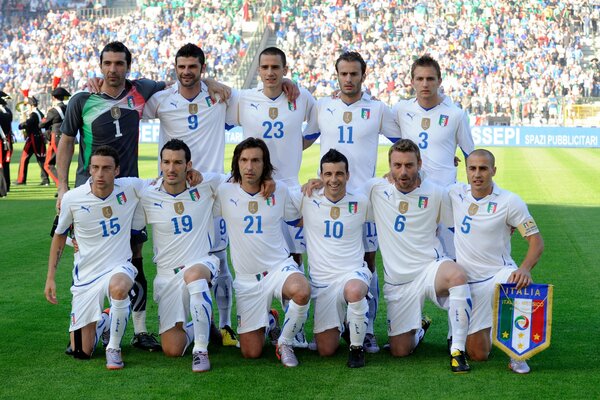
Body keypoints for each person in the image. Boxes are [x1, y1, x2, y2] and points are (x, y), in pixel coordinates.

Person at [58, 41, 166, 351]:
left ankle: (141, 330)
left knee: (136, 258)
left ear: (128, 66)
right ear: (100, 64)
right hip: (88, 194)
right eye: (107, 63)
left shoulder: (141, 90)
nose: (113, 69)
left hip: (129, 196)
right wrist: (63, 187)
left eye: (119, 63)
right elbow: (66, 141)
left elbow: (180, 80)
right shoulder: (82, 99)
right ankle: (92, 321)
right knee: (86, 259)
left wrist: (211, 81)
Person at [305, 51, 402, 353]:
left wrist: (413, 165)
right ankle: (323, 322)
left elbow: (404, 143)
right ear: (337, 75)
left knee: (369, 261)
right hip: (329, 196)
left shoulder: (377, 109)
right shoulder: (323, 106)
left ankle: (367, 328)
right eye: (343, 74)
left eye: (354, 74)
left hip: (365, 202)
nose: (348, 79)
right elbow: (303, 141)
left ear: (364, 75)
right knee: (322, 256)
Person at [143, 43, 237, 347]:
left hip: (211, 191)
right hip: (176, 192)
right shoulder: (160, 100)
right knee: (182, 255)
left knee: (220, 258)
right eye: (181, 67)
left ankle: (224, 326)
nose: (186, 72)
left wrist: (213, 84)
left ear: (202, 69)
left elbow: (258, 99)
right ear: (174, 68)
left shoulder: (219, 97)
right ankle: (194, 321)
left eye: (192, 67)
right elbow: (128, 103)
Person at [225, 46, 318, 348]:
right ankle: (264, 316)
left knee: (294, 255)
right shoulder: (244, 99)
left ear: (284, 68)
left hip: (287, 185)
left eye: (275, 67)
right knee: (260, 247)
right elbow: (218, 105)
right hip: (255, 184)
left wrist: (292, 149)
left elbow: (315, 129)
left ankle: (296, 325)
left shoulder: (300, 96)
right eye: (264, 67)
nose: (269, 72)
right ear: (259, 70)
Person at [365, 139, 472, 373]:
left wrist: (507, 222)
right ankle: (419, 328)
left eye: (409, 165)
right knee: (399, 351)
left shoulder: (435, 193)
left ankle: (458, 349)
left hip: (430, 269)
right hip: (398, 282)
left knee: (456, 276)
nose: (403, 172)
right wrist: (317, 183)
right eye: (397, 165)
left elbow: (464, 219)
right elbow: (341, 193)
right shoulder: (375, 189)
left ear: (419, 164)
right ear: (390, 165)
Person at [214, 137, 310, 367]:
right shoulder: (223, 191)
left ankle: (285, 342)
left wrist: (313, 187)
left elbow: (298, 219)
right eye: (244, 160)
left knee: (301, 290)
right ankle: (271, 320)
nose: (249, 167)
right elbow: (195, 183)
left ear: (264, 163)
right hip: (247, 281)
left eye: (256, 160)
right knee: (251, 352)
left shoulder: (281, 191)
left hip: (278, 268)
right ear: (236, 162)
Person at [44, 146, 144, 370]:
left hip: (119, 267)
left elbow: (164, 182)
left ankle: (114, 349)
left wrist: (192, 174)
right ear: (89, 169)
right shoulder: (73, 198)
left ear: (117, 170)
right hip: (86, 277)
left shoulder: (131, 188)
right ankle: (106, 321)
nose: (100, 174)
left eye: (107, 168)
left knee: (119, 287)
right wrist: (50, 278)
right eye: (96, 168)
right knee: (81, 352)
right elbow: (60, 236)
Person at [447, 149, 544, 374]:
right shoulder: (455, 193)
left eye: (483, 168)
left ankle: (517, 354)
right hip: (468, 284)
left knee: (517, 281)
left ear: (494, 170)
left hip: (498, 274)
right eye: (472, 168)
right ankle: (494, 328)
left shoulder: (510, 201)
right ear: (466, 171)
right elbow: (424, 185)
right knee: (479, 355)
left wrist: (525, 268)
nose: (477, 174)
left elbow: (536, 242)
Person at [139, 139, 224, 372]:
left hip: (200, 263)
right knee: (172, 350)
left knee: (195, 275)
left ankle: (201, 350)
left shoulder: (207, 187)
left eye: (178, 162)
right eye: (166, 162)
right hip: (167, 276)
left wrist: (201, 175)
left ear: (189, 165)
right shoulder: (148, 196)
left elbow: (239, 180)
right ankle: (202, 324)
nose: (171, 168)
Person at [292, 149, 371, 368]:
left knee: (354, 291)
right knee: (326, 350)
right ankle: (347, 325)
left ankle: (357, 349)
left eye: (339, 174)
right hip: (323, 282)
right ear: (320, 175)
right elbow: (276, 193)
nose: (333, 179)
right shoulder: (306, 198)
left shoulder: (362, 201)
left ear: (348, 175)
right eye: (328, 174)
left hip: (353, 273)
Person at [392, 55, 474, 259]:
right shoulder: (401, 109)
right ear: (412, 82)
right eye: (419, 79)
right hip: (412, 196)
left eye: (430, 79)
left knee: (451, 259)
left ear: (439, 81)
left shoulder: (455, 114)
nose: (425, 84)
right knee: (414, 258)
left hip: (444, 196)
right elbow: (396, 142)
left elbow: (471, 157)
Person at [14, 96, 49, 186]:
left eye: (28, 105)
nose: (27, 107)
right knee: (41, 159)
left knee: (24, 158)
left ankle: (21, 179)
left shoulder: (33, 114)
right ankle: (45, 179)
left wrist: (21, 124)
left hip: (33, 138)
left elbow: (27, 123)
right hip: (39, 138)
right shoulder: (39, 113)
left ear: (31, 105)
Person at [40, 87, 70, 187]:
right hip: (65, 136)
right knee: (51, 163)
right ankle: (61, 185)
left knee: (54, 163)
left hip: (56, 137)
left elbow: (42, 124)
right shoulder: (67, 108)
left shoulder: (53, 110)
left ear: (53, 97)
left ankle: (63, 186)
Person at [0, 90, 13, 195]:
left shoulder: (2, 113)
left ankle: (3, 189)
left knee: (2, 164)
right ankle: (6, 186)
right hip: (6, 139)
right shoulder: (8, 111)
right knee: (5, 164)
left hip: (2, 139)